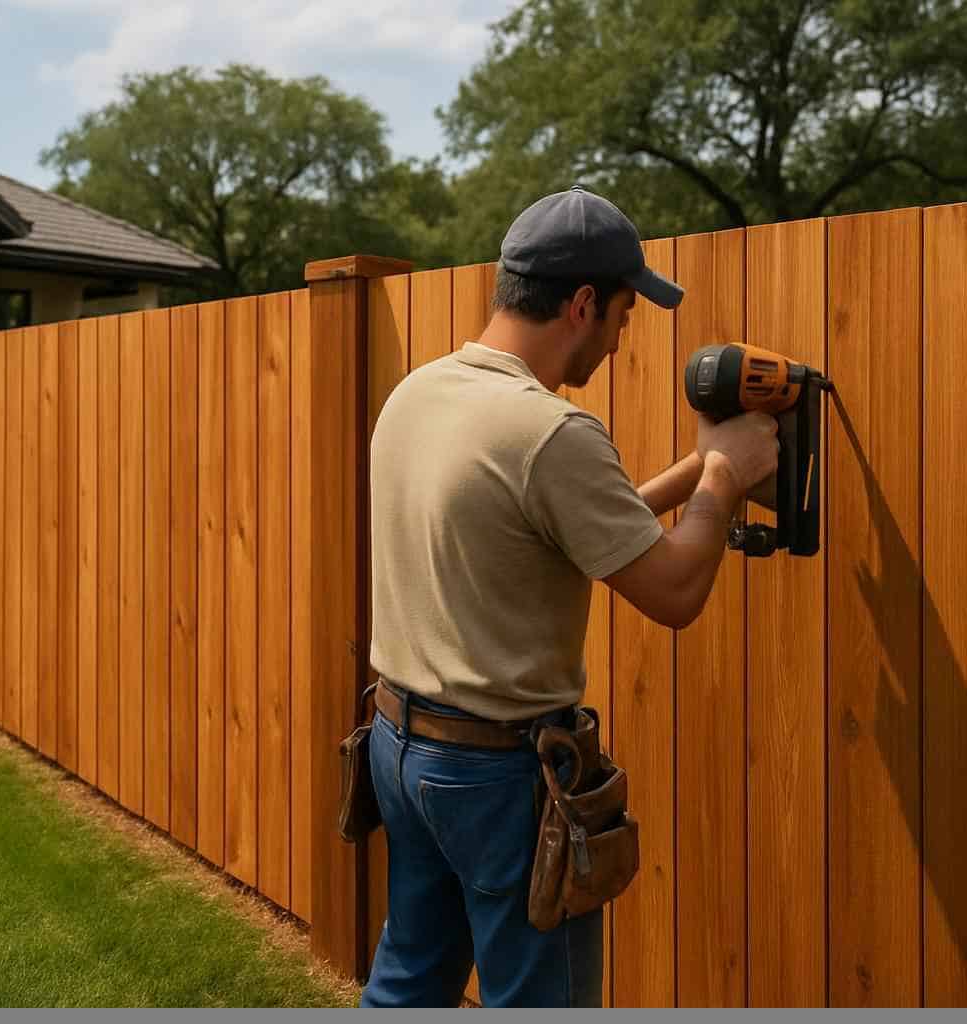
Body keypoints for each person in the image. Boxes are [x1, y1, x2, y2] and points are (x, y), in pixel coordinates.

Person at [360, 186, 779, 1007]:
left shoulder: (421, 393)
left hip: (400, 746)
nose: (621, 339)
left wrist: (698, 469)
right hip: (496, 779)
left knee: (408, 984)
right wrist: (726, 478)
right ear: (583, 304)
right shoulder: (551, 432)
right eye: (624, 314)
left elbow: (549, 534)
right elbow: (673, 590)